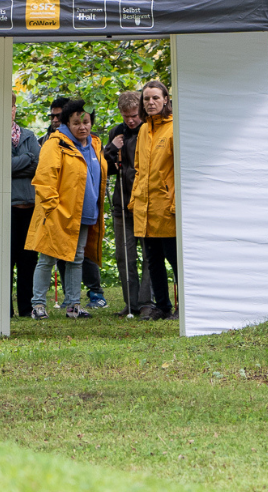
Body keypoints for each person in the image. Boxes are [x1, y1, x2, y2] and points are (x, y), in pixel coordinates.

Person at [27, 98, 107, 319]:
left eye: (86, 122)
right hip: (57, 213)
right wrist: (53, 208)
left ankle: (73, 306)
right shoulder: (56, 144)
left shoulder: (94, 144)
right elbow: (44, 179)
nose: (82, 127)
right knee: (47, 259)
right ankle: (38, 306)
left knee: (76, 258)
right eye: (76, 123)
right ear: (67, 124)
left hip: (83, 213)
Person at [129, 79, 179, 319]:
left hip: (166, 206)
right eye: (146, 99)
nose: (150, 102)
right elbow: (139, 168)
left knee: (175, 260)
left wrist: (175, 201)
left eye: (155, 98)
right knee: (153, 261)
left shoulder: (175, 127)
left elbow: (180, 168)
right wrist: (134, 201)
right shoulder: (142, 130)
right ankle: (162, 306)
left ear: (166, 100)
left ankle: (184, 306)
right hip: (145, 208)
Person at [104, 90, 153, 316]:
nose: (131, 120)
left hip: (146, 202)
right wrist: (112, 149)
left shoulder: (150, 130)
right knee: (124, 255)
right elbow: (109, 168)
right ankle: (130, 303)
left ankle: (146, 302)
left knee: (149, 254)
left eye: (134, 115)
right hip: (121, 204)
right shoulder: (117, 132)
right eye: (126, 116)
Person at [9, 93, 40, 318]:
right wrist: (27, 158)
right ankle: (5, 308)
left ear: (15, 109)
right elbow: (1, 166)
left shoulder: (29, 136)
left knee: (28, 260)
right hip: (7, 208)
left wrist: (15, 166)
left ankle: (26, 308)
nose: (7, 111)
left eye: (10, 106)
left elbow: (39, 167)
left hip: (30, 207)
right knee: (7, 259)